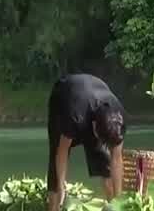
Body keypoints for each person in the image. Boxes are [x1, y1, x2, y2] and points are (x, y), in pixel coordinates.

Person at [46, 73, 126, 211]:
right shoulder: (75, 116)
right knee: (55, 157)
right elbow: (62, 151)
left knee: (105, 161)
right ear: (94, 127)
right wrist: (61, 186)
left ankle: (112, 202)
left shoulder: (118, 119)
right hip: (63, 99)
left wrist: (119, 202)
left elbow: (116, 159)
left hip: (92, 100)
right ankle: (53, 206)